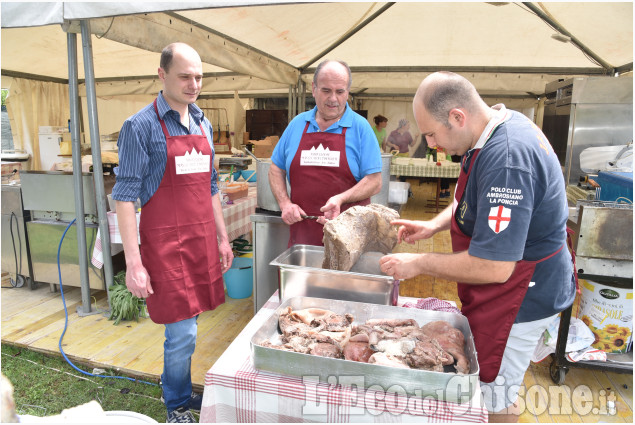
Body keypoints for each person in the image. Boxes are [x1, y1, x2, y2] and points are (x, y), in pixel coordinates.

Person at [379, 72, 575, 422]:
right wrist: (433, 225)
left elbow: (494, 267)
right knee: (500, 381)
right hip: (510, 286)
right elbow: (470, 200)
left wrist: (420, 263)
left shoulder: (508, 159)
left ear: (457, 116)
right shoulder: (490, 130)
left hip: (522, 293)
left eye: (431, 134)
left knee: (496, 390)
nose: (432, 144)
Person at [111, 42, 233, 423]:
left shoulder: (203, 123)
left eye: (198, 77)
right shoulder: (139, 126)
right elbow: (125, 196)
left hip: (199, 242)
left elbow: (212, 186)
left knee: (193, 324)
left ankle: (178, 386)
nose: (193, 84)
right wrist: (134, 262)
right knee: (182, 333)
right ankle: (177, 404)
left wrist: (223, 237)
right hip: (164, 245)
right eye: (184, 76)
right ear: (162, 75)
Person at [269, 60, 382, 247]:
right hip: (303, 236)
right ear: (314, 89)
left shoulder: (361, 128)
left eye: (340, 92)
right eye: (326, 90)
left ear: (348, 92)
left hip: (348, 240)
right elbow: (275, 168)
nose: (333, 99)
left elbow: (375, 181)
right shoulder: (297, 124)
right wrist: (284, 203)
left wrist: (341, 198)